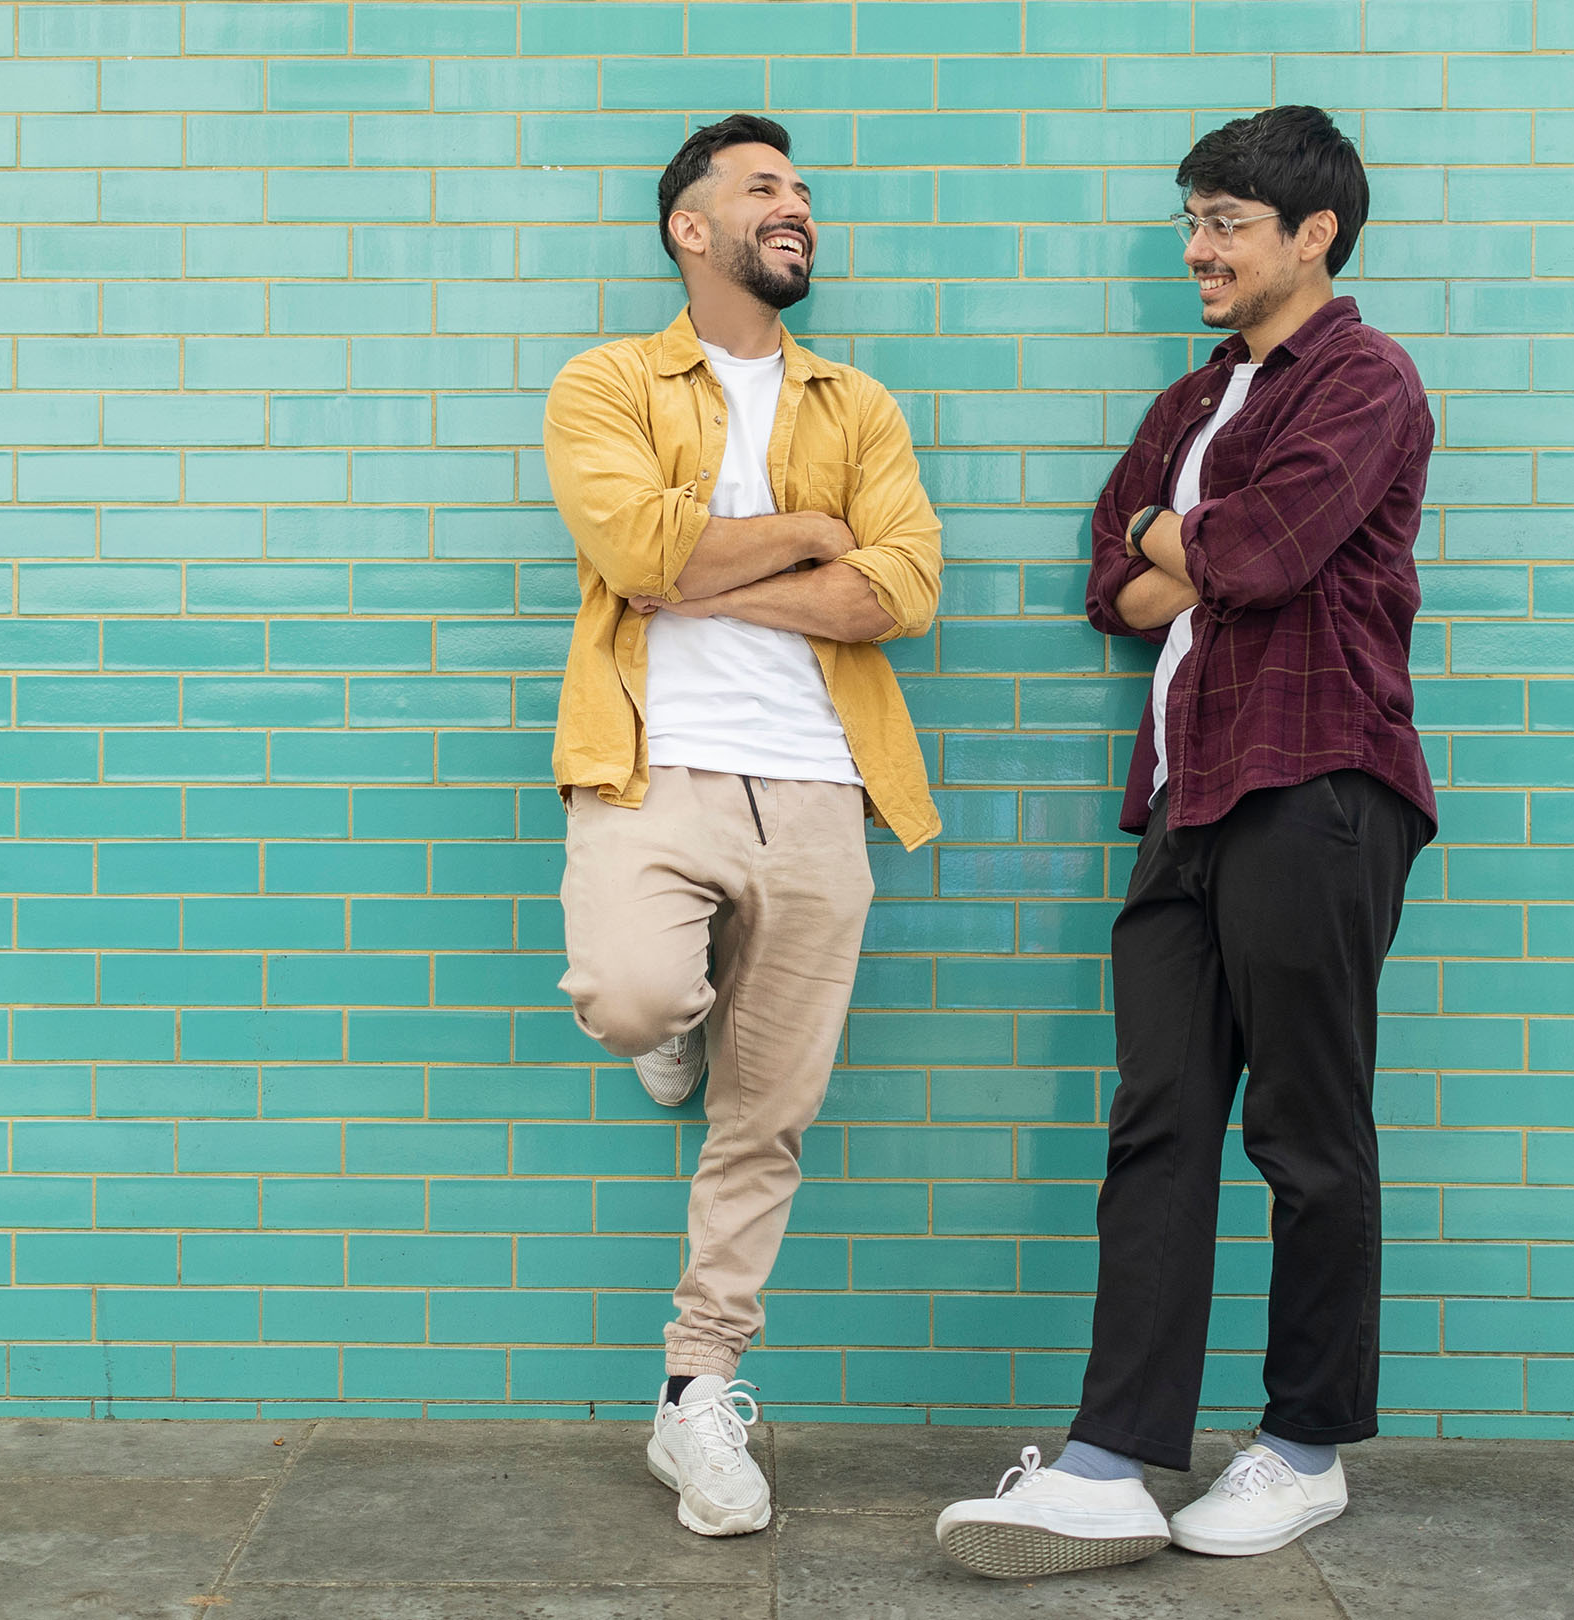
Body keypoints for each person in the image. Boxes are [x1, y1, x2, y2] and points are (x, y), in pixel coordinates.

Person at [934, 106, 1436, 1579]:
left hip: (1321, 781)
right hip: (1188, 794)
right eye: (1193, 222)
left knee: (1305, 1128)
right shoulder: (1193, 398)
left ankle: (1302, 1448)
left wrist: (1185, 541)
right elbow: (1114, 576)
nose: (1200, 248)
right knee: (1157, 1123)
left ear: (1313, 234)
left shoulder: (1366, 379)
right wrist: (1182, 541)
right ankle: (1108, 1462)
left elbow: (1258, 560)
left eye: (1226, 221)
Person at [542, 112, 942, 1538]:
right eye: (764, 190)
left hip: (824, 785)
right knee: (630, 990)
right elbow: (633, 549)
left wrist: (717, 572)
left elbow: (899, 593)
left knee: (767, 1120)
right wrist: (806, 534)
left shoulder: (860, 408)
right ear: (689, 229)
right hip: (655, 771)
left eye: (806, 193)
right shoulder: (605, 385)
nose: (798, 209)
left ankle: (696, 1398)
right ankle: (670, 1029)